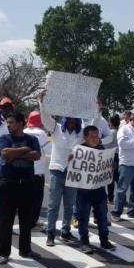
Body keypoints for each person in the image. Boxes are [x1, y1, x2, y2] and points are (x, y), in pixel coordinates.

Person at [0, 112, 42, 264]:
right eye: (7, 123)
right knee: (6, 220)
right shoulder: (4, 138)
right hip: (8, 183)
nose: (8, 125)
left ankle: (25, 250)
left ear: (22, 123)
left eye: (12, 122)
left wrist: (15, 154)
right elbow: (5, 154)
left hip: (27, 183)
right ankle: (3, 252)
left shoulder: (32, 139)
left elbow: (36, 156)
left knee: (26, 220)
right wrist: (24, 151)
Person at [40, 104, 83, 246]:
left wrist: (98, 110)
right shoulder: (57, 128)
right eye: (69, 118)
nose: (72, 121)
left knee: (69, 205)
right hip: (57, 171)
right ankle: (50, 233)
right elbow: (46, 119)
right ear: (65, 118)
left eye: (74, 119)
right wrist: (42, 103)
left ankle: (66, 231)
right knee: (53, 205)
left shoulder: (80, 133)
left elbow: (92, 127)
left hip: (72, 173)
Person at [75, 126, 116, 254]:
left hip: (99, 189)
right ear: (85, 137)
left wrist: (111, 165)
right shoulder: (79, 150)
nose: (96, 138)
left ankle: (104, 240)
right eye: (92, 136)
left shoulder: (102, 149)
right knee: (83, 217)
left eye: (97, 136)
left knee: (102, 217)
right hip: (83, 190)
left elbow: (111, 166)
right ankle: (85, 242)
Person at [112, 113, 134, 221]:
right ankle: (116, 212)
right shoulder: (124, 129)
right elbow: (122, 144)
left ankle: (132, 211)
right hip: (127, 164)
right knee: (122, 189)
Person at [24, 111, 51, 227]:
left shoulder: (24, 131)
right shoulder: (41, 133)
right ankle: (32, 222)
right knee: (37, 199)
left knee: (25, 198)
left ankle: (24, 220)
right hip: (38, 172)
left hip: (24, 170)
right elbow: (49, 150)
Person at [106, 114, 121, 205]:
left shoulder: (110, 133)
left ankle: (110, 198)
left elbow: (106, 145)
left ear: (111, 123)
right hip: (119, 155)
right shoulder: (120, 131)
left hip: (111, 155)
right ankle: (121, 197)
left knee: (111, 179)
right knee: (118, 178)